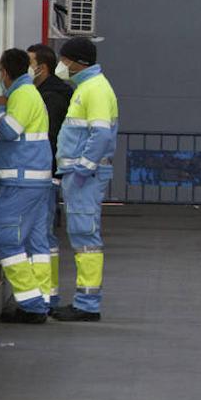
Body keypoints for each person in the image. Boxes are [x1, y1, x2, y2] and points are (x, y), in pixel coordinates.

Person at [51, 36, 118, 322]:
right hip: (80, 175)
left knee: (85, 237)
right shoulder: (88, 87)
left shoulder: (95, 90)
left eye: (64, 60)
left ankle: (87, 304)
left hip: (84, 177)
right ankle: (85, 301)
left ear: (78, 62)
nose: (61, 65)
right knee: (82, 235)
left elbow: (101, 134)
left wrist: (83, 167)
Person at [0, 48, 55, 324]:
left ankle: (31, 304)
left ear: (5, 71)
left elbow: (10, 130)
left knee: (7, 238)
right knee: (35, 241)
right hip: (35, 179)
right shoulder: (31, 93)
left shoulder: (21, 95)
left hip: (21, 179)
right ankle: (43, 297)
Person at [28, 42, 73, 307]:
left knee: (41, 234)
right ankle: (48, 293)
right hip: (49, 172)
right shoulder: (56, 92)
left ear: (41, 68)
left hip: (45, 173)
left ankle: (45, 295)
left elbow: (49, 136)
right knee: (43, 234)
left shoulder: (50, 97)